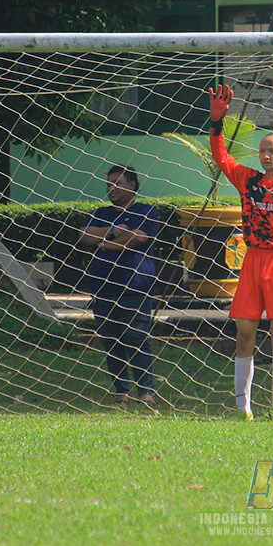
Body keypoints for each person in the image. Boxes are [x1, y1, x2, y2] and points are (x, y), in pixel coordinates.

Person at [208, 84, 273, 422]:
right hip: (252, 260)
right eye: (262, 150)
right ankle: (244, 409)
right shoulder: (248, 181)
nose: (265, 154)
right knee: (244, 334)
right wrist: (216, 124)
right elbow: (221, 157)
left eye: (272, 150)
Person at [80, 165, 158, 405]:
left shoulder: (146, 211)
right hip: (103, 288)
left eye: (118, 183)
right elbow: (84, 236)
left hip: (134, 287)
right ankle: (121, 391)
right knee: (110, 340)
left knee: (135, 338)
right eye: (108, 184)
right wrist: (113, 231)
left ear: (133, 186)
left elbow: (138, 238)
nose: (111, 188)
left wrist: (104, 244)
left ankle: (146, 391)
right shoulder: (101, 213)